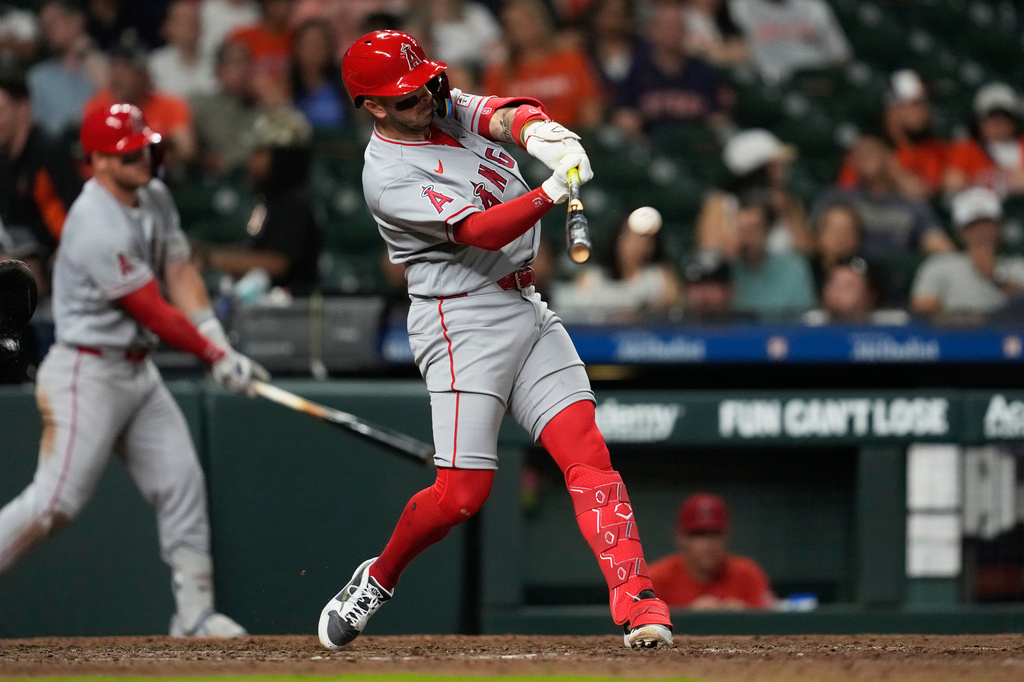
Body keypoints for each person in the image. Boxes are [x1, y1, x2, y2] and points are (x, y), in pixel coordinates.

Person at [319, 29, 673, 650]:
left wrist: (540, 132)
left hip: (524, 301)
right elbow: (479, 231)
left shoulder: (434, 99)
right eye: (404, 97)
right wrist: (551, 190)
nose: (424, 98)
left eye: (425, 83)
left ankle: (636, 599)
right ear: (373, 107)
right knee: (461, 496)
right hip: (461, 319)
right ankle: (378, 576)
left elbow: (497, 112)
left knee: (585, 450)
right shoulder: (389, 174)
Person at [0, 103, 268, 636]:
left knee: (182, 482)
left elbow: (179, 267)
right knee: (56, 502)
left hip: (136, 370)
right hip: (87, 370)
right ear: (96, 162)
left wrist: (214, 337)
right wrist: (215, 358)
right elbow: (150, 307)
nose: (142, 159)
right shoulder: (92, 222)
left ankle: (193, 616)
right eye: (127, 154)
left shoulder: (155, 195)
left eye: (144, 148)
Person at [194, 106, 321, 296]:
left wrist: (212, 259)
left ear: (283, 157)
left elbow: (277, 263)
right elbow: (252, 247)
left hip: (292, 308)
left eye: (259, 152)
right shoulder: (265, 200)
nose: (251, 159)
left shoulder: (295, 203)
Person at [811, 130, 953, 262]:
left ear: (889, 156)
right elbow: (810, 242)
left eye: (871, 151)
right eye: (859, 153)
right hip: (848, 276)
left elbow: (941, 247)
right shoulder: (838, 196)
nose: (864, 156)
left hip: (895, 280)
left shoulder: (911, 203)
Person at [613, 2, 732, 138]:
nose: (671, 32)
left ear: (685, 30)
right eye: (666, 26)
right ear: (653, 30)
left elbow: (720, 119)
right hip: (652, 148)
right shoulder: (636, 72)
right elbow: (625, 118)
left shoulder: (704, 72)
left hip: (695, 147)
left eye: (676, 26)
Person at [481, 0, 603, 131]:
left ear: (542, 20)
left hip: (572, 137)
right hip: (522, 144)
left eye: (528, 19)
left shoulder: (571, 60)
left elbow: (591, 109)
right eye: (515, 24)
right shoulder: (500, 72)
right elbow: (494, 122)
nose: (524, 28)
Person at [0, 70, 83, 256]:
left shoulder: (50, 151)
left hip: (63, 259)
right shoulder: (4, 161)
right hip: (22, 259)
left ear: (23, 107)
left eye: (1, 111)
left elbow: (77, 216)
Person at [911, 187, 1024, 318]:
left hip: (1006, 334)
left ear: (999, 227)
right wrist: (968, 319)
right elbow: (921, 308)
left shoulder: (1018, 265)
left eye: (987, 223)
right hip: (954, 335)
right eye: (973, 225)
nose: (982, 231)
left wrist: (995, 276)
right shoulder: (939, 265)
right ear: (960, 232)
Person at [697, 128, 810, 257]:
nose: (782, 172)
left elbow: (806, 256)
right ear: (757, 170)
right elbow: (710, 254)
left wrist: (788, 214)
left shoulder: (790, 203)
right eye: (775, 166)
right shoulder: (720, 203)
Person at [835, 70, 948, 200]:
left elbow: (926, 192)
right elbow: (844, 195)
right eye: (916, 103)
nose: (924, 110)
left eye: (925, 102)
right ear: (892, 109)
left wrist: (889, 166)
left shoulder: (933, 147)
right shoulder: (866, 149)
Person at [649, 493, 775, 610]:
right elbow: (637, 629)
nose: (708, 545)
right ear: (680, 537)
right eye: (699, 534)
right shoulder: (655, 580)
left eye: (715, 534)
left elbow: (773, 623)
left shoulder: (748, 575)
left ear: (726, 536)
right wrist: (690, 618)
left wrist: (745, 617)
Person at [83, 39, 197, 167]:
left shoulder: (170, 105)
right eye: (114, 68)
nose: (118, 77)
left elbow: (187, 150)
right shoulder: (96, 107)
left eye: (126, 69)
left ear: (144, 75)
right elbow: (95, 157)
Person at [559, 208, 681, 323]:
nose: (639, 246)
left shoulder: (661, 277)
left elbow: (675, 316)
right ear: (617, 238)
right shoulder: (591, 278)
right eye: (631, 238)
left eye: (646, 239)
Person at [27, 0, 108, 138]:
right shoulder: (38, 76)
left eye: (52, 23)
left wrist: (88, 53)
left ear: (77, 20)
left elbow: (111, 97)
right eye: (43, 26)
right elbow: (39, 128)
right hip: (60, 149)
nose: (47, 31)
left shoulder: (102, 62)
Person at [728, 0, 851, 83]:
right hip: (775, 82)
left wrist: (830, 77)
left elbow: (840, 54)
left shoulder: (812, 5)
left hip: (818, 75)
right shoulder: (741, 6)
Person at [729, 200, 816, 315]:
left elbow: (805, 318)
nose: (746, 236)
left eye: (753, 229)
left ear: (768, 231)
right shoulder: (724, 270)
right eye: (741, 229)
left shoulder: (794, 268)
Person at [190, 40, 258, 175]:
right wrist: (203, 158)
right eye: (235, 63)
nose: (243, 69)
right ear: (217, 71)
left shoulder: (263, 105)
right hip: (213, 179)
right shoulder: (200, 104)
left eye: (246, 62)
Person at [944, 83, 1024, 197]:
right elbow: (953, 183)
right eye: (991, 116)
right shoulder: (966, 149)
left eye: (1004, 116)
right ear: (979, 121)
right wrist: (1001, 179)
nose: (998, 122)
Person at [148, 0, 218, 99]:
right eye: (184, 20)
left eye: (195, 20)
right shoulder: (155, 64)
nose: (192, 25)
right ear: (169, 26)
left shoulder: (215, 62)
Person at [288, 18, 348, 131]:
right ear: (296, 48)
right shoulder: (286, 86)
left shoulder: (345, 85)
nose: (315, 49)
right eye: (310, 43)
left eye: (321, 43)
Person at [809, 201, 862, 295]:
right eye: (833, 229)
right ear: (818, 233)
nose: (841, 236)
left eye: (847, 229)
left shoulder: (864, 272)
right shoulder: (803, 270)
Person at [681, 250, 738, 321]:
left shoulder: (746, 326)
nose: (705, 294)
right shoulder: (672, 327)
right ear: (686, 289)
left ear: (729, 290)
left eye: (712, 285)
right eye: (698, 285)